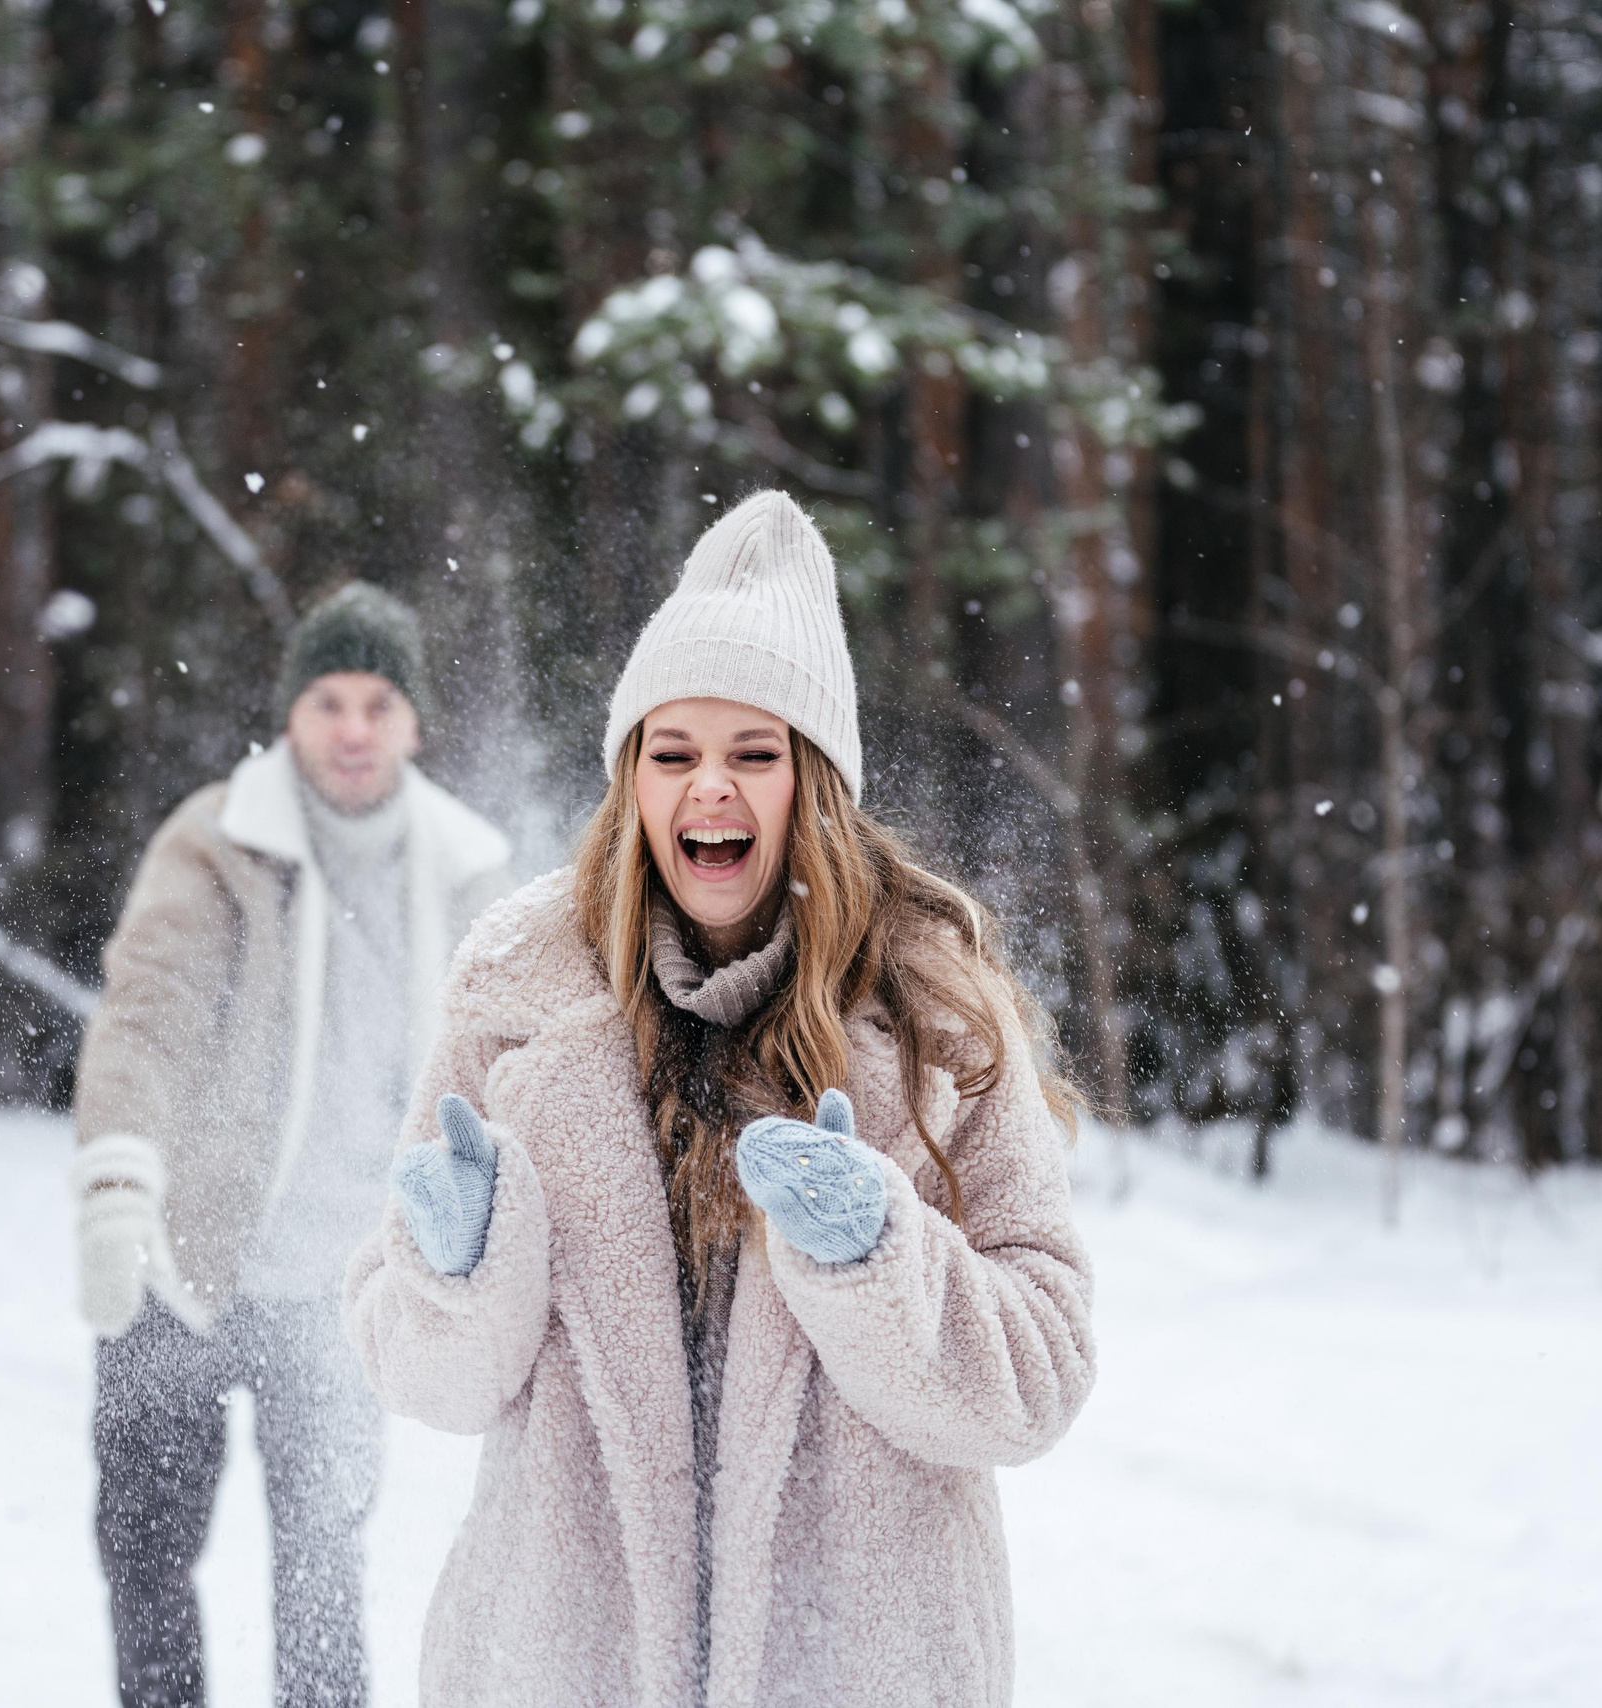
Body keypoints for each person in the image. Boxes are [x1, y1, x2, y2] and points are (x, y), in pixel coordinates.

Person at [343, 491, 1097, 1708]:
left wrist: (877, 1260)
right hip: (557, 1666)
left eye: (756, 755)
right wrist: (458, 1267)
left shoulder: (935, 1013)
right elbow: (426, 1378)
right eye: (673, 751)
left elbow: (1039, 1378)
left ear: (817, 784)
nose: (711, 790)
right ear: (629, 775)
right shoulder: (516, 995)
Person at [71, 581, 515, 1708]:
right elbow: (148, 1016)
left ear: (415, 722)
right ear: (290, 715)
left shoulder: (467, 874)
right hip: (187, 1262)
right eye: (328, 700)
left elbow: (506, 1070)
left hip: (340, 1286)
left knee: (324, 1568)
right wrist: (120, 1178)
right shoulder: (219, 842)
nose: (354, 728)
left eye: (378, 701)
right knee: (147, 1547)